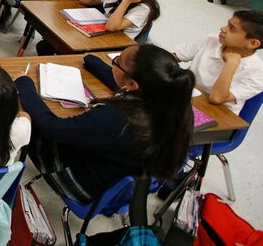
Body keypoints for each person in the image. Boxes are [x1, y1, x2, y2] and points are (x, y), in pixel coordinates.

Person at [16, 45, 195, 203]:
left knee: (28, 121)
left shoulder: (118, 119)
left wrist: (24, 85)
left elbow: (51, 127)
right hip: (117, 174)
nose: (114, 62)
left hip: (84, 183)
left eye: (117, 62)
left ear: (132, 85)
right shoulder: (175, 105)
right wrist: (92, 61)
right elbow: (123, 86)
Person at [175, 11, 263, 114]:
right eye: (227, 24)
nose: (223, 29)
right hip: (186, 98)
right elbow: (174, 56)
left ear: (253, 43)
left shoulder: (258, 72)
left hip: (217, 115)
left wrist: (231, 64)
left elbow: (216, 98)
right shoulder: (211, 40)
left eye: (231, 29)